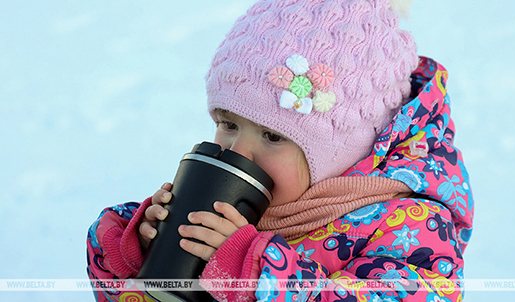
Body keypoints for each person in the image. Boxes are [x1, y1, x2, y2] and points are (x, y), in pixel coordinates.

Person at [86, 0, 474, 301]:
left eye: (272, 136)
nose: (239, 151)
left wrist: (260, 277)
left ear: (345, 152)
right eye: (228, 124)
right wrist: (135, 256)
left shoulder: (412, 227)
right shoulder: (232, 209)